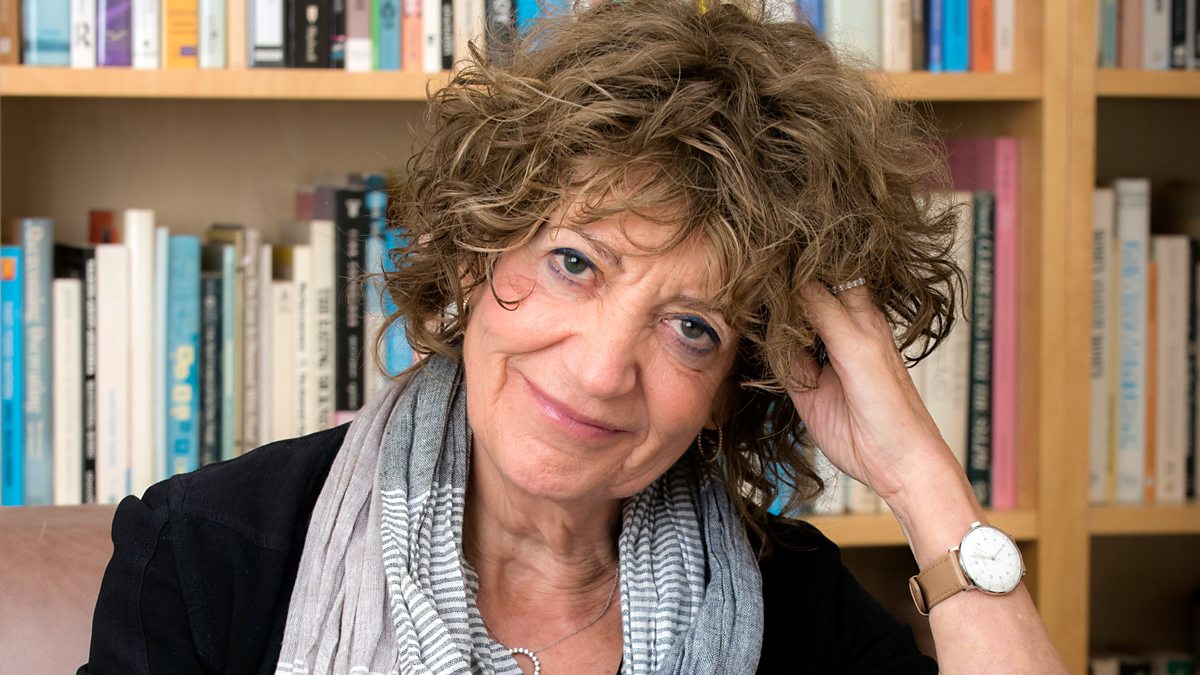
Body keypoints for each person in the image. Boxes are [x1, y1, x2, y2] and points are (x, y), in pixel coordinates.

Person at [80, 1, 1069, 673]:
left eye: (691, 327)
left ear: (734, 386)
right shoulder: (213, 555)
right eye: (575, 263)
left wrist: (921, 480)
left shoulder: (794, 605)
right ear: (476, 253)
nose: (600, 371)